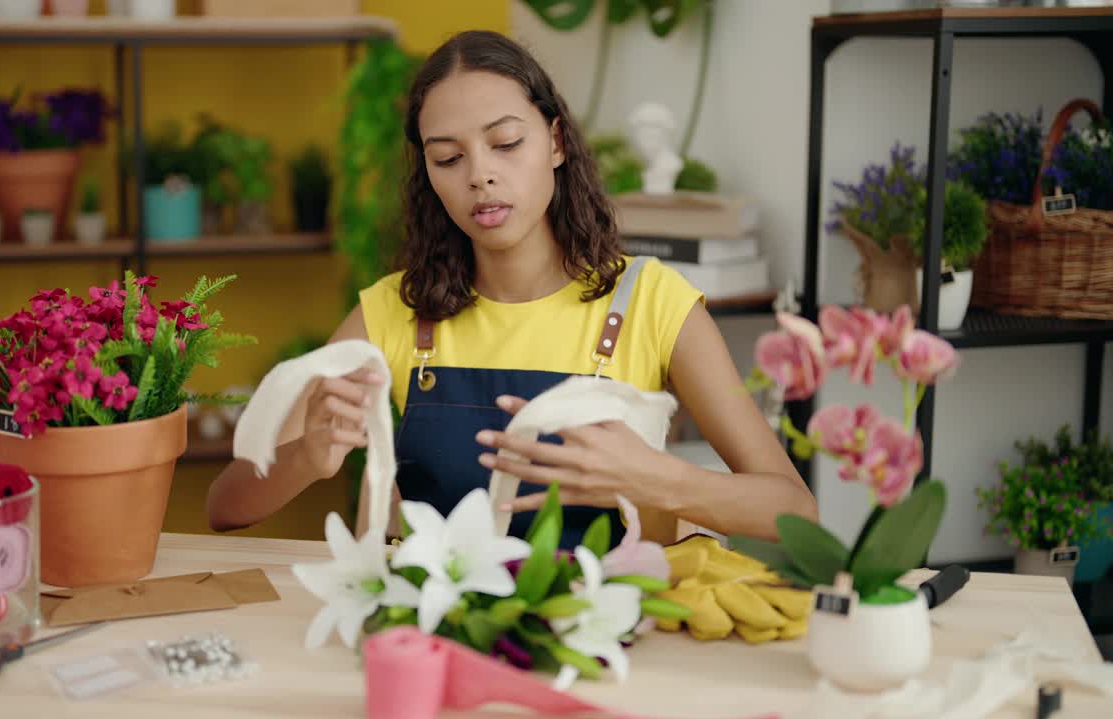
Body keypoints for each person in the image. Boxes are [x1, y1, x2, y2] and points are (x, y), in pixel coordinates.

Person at [207, 30, 815, 548]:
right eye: (448, 159)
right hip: (441, 637)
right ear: (431, 178)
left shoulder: (654, 304)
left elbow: (794, 511)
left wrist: (657, 479)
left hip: (615, 650)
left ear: (554, 141)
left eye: (505, 143)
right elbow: (227, 506)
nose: (481, 175)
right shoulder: (395, 311)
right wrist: (306, 458)